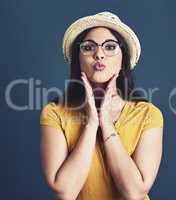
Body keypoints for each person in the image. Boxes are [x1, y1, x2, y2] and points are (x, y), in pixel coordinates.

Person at [40, 11, 164, 200]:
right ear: (78, 60)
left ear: (124, 60)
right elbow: (65, 191)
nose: (99, 55)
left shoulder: (148, 115)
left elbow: (135, 192)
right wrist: (91, 124)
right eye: (88, 48)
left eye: (110, 47)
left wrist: (106, 123)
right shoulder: (54, 113)